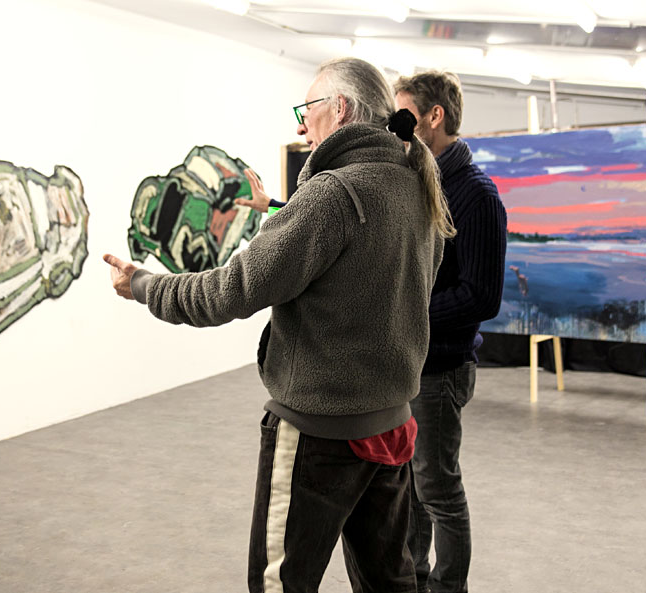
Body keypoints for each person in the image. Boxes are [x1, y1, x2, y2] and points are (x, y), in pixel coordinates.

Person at [104, 57, 454, 593]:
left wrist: (145, 285)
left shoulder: (335, 194)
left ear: (338, 109)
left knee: (279, 584)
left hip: (321, 435)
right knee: (392, 584)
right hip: (390, 425)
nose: (300, 124)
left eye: (307, 108)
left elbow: (226, 292)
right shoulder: (413, 188)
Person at [393, 72, 508, 593]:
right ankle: (414, 580)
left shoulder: (477, 194)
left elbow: (481, 296)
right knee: (411, 490)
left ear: (433, 116)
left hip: (441, 369)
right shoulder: (420, 180)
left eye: (404, 115)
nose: (395, 127)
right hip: (412, 365)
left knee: (437, 490)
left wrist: (407, 312)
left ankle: (446, 587)